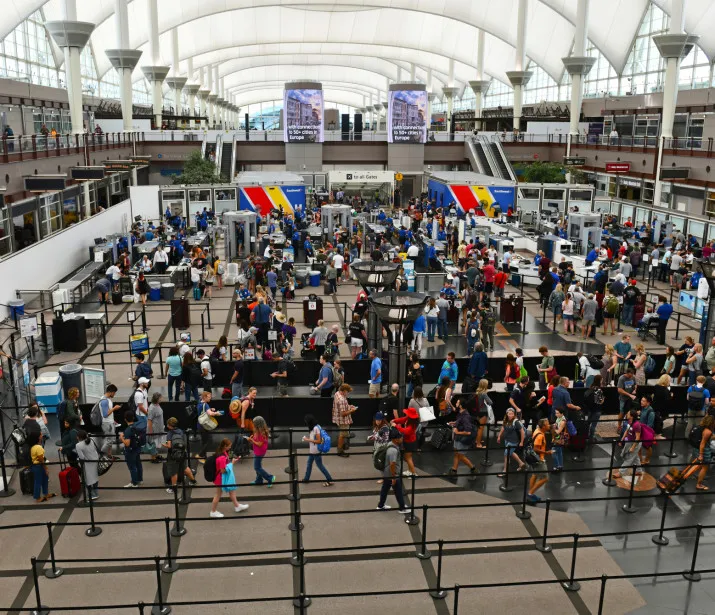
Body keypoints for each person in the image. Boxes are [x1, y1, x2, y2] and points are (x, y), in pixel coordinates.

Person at [209, 439, 250, 518]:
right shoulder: (222, 457)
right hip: (220, 478)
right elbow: (223, 470)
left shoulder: (222, 452)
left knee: (232, 491)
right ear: (225, 446)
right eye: (229, 446)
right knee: (218, 494)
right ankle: (213, 511)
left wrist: (230, 463)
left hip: (220, 477)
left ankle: (237, 506)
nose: (230, 447)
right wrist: (232, 464)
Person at [376, 428, 410, 512]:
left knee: (385, 489)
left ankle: (380, 505)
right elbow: (392, 464)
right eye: (400, 437)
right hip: (392, 474)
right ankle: (402, 508)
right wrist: (394, 477)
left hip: (387, 473)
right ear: (396, 439)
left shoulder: (390, 444)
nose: (402, 438)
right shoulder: (393, 450)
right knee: (398, 491)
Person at [163, 418, 197, 493]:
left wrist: (163, 444)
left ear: (169, 425)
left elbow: (169, 446)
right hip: (182, 452)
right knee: (185, 467)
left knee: (173, 472)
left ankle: (173, 488)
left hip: (173, 455)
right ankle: (193, 481)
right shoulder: (180, 431)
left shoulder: (170, 433)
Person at [449, 402, 479, 480]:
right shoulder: (461, 413)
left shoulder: (466, 416)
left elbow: (468, 432)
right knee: (456, 454)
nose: (456, 403)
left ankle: (473, 468)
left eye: (457, 402)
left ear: (461, 406)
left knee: (461, 456)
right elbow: (460, 421)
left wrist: (457, 432)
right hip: (458, 438)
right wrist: (454, 423)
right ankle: (454, 470)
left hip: (462, 439)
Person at [302, 414, 333, 486]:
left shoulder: (316, 428)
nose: (305, 422)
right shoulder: (316, 426)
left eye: (306, 421)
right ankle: (306, 479)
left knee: (320, 466)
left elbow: (319, 441)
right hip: (312, 451)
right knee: (309, 464)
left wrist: (307, 439)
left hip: (316, 451)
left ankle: (330, 479)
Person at [612, 409, 643, 481]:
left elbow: (638, 438)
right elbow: (627, 430)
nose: (627, 414)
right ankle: (639, 470)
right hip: (629, 441)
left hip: (635, 443)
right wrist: (622, 439)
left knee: (629, 458)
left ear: (631, 416)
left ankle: (621, 472)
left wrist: (633, 447)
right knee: (635, 457)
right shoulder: (629, 421)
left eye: (628, 413)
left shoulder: (637, 425)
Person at [527, 418, 552, 504]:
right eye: (547, 424)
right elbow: (536, 448)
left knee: (534, 475)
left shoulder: (537, 430)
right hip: (539, 460)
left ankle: (530, 493)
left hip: (534, 459)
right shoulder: (540, 435)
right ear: (544, 426)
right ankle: (530, 493)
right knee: (545, 478)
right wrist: (546, 452)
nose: (549, 425)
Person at [497, 408, 526, 476]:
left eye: (512, 414)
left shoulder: (516, 422)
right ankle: (521, 463)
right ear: (506, 414)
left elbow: (522, 432)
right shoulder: (506, 420)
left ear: (514, 414)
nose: (510, 415)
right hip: (507, 440)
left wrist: (521, 442)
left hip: (513, 441)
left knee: (506, 455)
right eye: (509, 413)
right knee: (511, 452)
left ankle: (504, 471)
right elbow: (503, 427)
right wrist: (499, 436)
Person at [119, 410, 144, 488]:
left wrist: (121, 438)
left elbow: (127, 443)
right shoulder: (136, 427)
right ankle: (140, 480)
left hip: (130, 451)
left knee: (132, 466)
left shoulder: (127, 430)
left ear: (125, 419)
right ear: (133, 418)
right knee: (138, 465)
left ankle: (134, 483)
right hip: (137, 449)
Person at [392, 407, 419, 476]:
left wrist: (396, 426)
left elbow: (405, 431)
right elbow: (402, 420)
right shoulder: (410, 419)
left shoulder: (412, 425)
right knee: (408, 457)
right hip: (409, 441)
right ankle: (410, 471)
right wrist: (395, 421)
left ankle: (413, 473)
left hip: (410, 442)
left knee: (408, 458)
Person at [248, 416, 275, 486]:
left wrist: (252, 440)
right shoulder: (257, 430)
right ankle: (259, 480)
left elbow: (259, 444)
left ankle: (270, 477)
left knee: (257, 467)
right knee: (258, 466)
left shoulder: (262, 433)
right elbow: (256, 440)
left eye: (254, 423)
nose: (253, 424)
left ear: (257, 424)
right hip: (257, 451)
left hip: (260, 452)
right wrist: (251, 439)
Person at [333, 384, 357, 457]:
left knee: (343, 434)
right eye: (347, 392)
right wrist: (352, 410)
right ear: (344, 391)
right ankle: (340, 451)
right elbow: (343, 413)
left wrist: (349, 406)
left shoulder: (337, 393)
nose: (348, 393)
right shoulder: (342, 400)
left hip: (338, 418)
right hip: (343, 420)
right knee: (342, 435)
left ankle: (342, 446)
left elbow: (341, 407)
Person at [75, 430, 100, 500]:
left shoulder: (78, 445)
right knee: (95, 477)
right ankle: (95, 492)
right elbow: (94, 449)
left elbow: (81, 457)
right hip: (95, 460)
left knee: (87, 479)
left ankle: (92, 494)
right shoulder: (90, 440)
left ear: (78, 437)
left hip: (88, 463)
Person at [692, 415, 714, 490]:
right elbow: (702, 443)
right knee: (705, 467)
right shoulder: (708, 431)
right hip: (704, 450)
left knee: (701, 465)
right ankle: (699, 484)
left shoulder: (700, 427)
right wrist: (701, 455)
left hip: (696, 448)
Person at [30, 437, 55, 503]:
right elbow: (41, 459)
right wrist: (46, 468)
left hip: (36, 466)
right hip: (38, 466)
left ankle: (46, 494)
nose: (41, 438)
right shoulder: (38, 447)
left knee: (45, 479)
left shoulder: (33, 447)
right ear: (38, 440)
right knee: (38, 482)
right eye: (40, 437)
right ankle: (37, 497)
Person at [583, 375, 606, 441]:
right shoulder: (599, 390)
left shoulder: (591, 387)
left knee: (588, 423)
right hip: (597, 410)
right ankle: (591, 437)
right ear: (599, 380)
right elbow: (600, 402)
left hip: (590, 409)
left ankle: (585, 435)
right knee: (593, 425)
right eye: (602, 379)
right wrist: (603, 399)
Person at [551, 408, 568, 472]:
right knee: (559, 452)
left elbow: (558, 431)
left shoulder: (563, 421)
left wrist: (553, 427)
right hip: (557, 437)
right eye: (555, 413)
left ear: (562, 413)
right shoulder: (558, 418)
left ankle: (557, 466)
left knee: (553, 452)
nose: (556, 414)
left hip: (559, 439)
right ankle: (560, 466)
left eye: (557, 413)